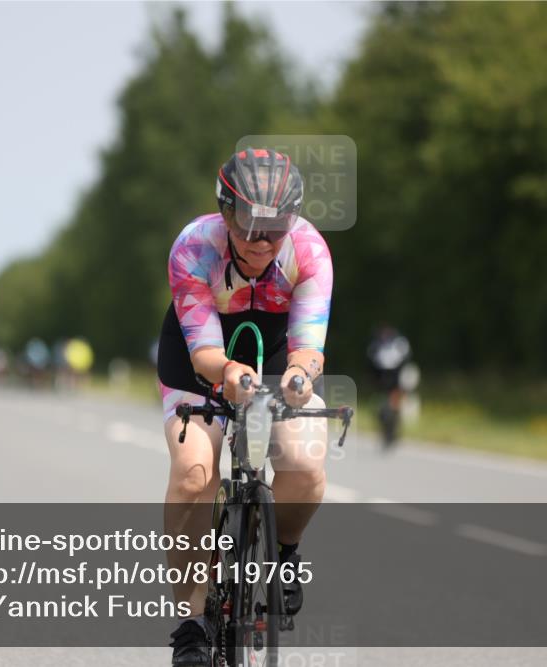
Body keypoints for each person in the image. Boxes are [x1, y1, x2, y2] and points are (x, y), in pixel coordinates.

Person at [157, 148, 332, 665]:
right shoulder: (195, 245)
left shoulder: (309, 250)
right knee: (194, 473)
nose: (261, 240)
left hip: (277, 351)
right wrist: (229, 373)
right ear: (225, 213)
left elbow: (309, 346)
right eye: (249, 225)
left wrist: (299, 377)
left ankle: (283, 551)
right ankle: (192, 622)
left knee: (304, 462)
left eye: (275, 228)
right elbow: (206, 353)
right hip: (201, 356)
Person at [367, 325, 412, 447]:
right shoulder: (376, 346)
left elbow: (405, 365)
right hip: (382, 382)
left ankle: (394, 431)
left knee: (394, 408)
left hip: (397, 381)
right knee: (380, 409)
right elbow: (372, 366)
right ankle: (385, 432)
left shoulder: (400, 344)